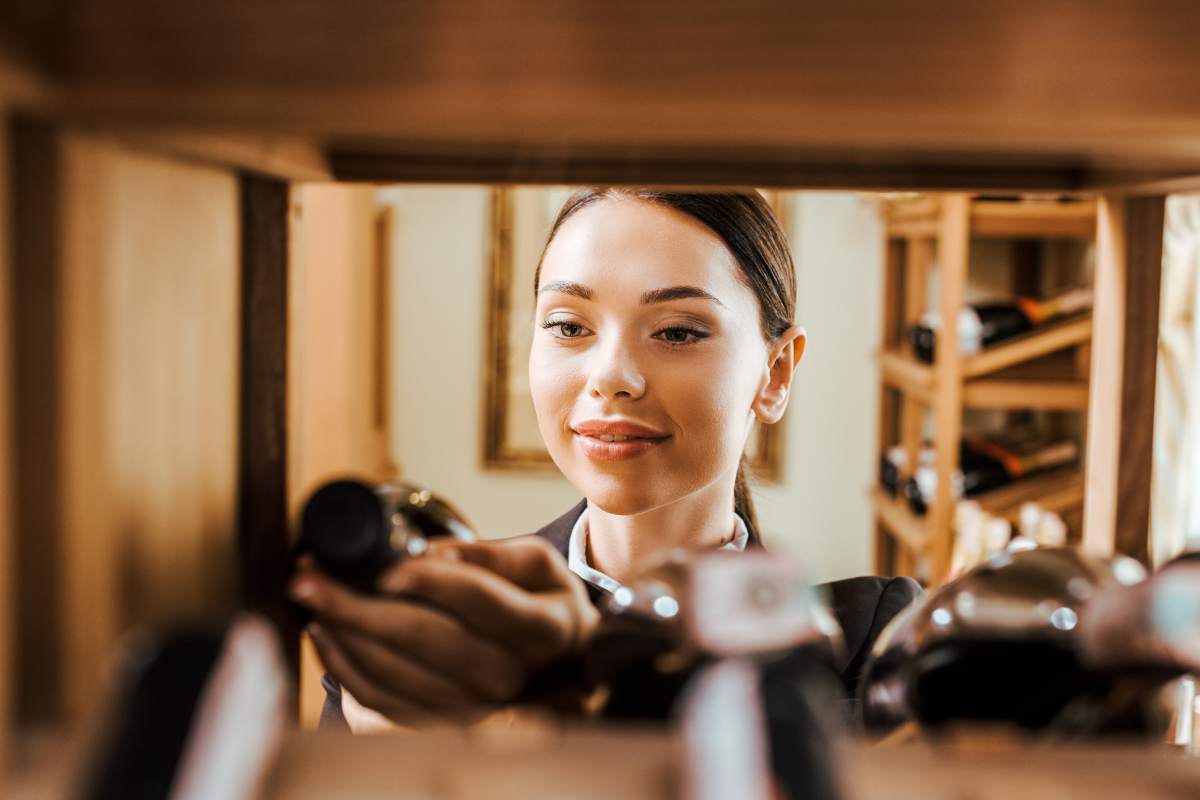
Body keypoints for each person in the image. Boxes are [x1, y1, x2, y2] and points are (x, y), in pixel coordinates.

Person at [290, 188, 921, 732]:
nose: (611, 376)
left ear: (775, 373)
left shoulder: (872, 637)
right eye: (569, 326)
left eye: (676, 331)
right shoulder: (438, 630)